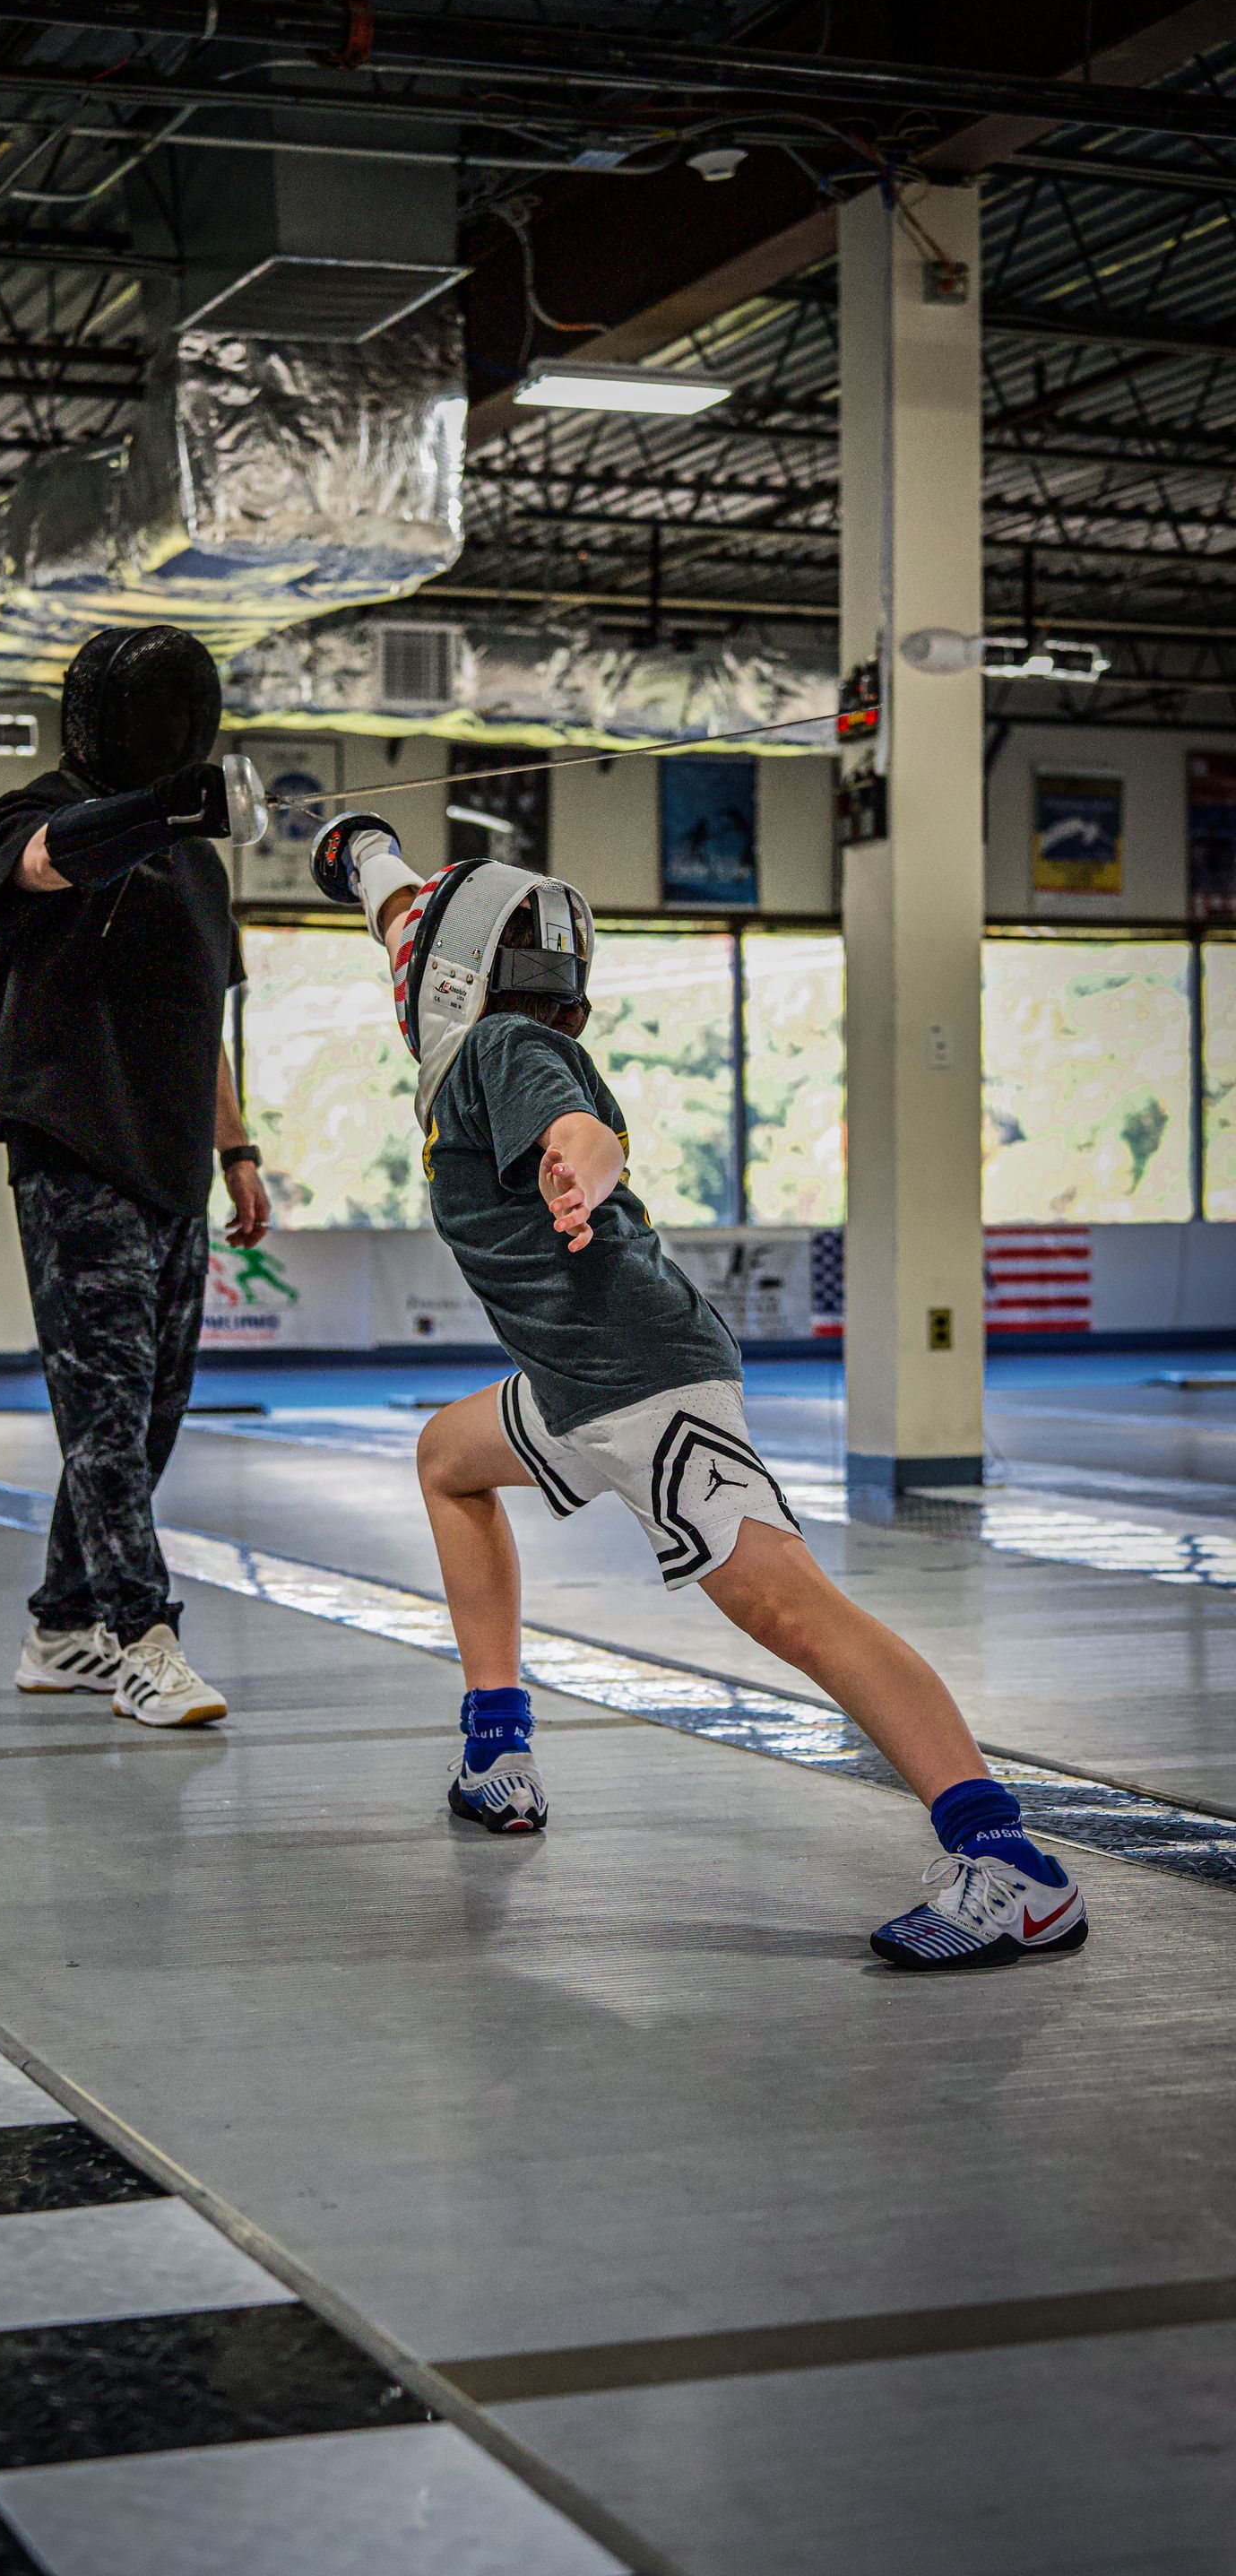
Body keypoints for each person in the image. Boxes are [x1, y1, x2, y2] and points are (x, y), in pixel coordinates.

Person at [310, 814, 1089, 1972]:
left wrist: (580, 1163)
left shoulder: (500, 1053)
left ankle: (1010, 1864)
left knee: (788, 1610)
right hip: (580, 1379)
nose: (399, 955)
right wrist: (361, 851)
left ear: (453, 975)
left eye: (413, 948)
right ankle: (497, 1750)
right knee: (448, 1456)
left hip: (639, 1377)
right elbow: (410, 914)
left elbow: (581, 1119)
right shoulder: (472, 1022)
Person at [0, 626, 270, 1728]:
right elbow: (50, 860)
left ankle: (58, 1630)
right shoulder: (29, 813)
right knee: (101, 1413)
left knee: (145, 1417)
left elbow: (208, 1022)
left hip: (171, 1160)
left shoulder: (198, 860)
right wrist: (165, 809)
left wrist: (234, 1147)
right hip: (71, 1148)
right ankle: (142, 1637)